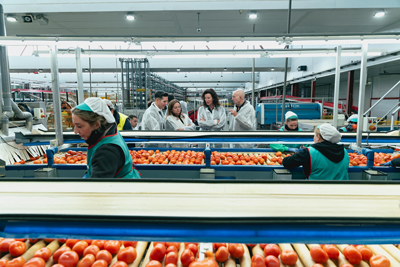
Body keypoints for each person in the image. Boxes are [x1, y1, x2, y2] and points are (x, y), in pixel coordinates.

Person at [72, 97, 140, 178]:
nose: (75, 131)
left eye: (79, 126)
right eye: (74, 125)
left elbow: (98, 188)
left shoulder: (106, 151)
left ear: (97, 124)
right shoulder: (109, 131)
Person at [282, 123, 349, 180]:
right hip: (340, 191)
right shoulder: (344, 151)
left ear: (318, 137)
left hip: (316, 190)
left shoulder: (310, 152)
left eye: (314, 135)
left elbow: (287, 162)